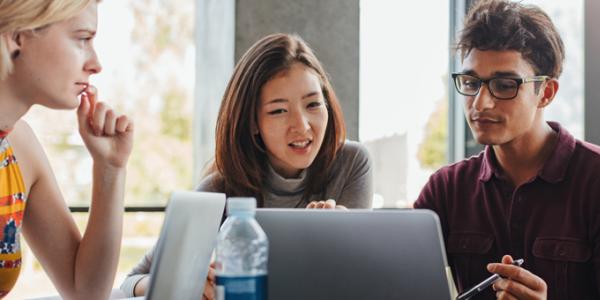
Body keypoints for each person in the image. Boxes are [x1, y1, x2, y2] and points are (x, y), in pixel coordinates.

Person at [120, 33, 373, 298]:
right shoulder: (219, 189)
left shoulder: (352, 162)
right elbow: (132, 280)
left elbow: (353, 281)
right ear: (252, 123)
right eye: (278, 110)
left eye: (312, 104)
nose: (302, 125)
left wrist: (345, 233)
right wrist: (191, 282)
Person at [414, 0, 600, 299]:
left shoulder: (593, 180)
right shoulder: (447, 189)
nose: (480, 103)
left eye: (503, 85)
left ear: (546, 93)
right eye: (471, 82)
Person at [0, 0, 133, 299]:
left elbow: (85, 292)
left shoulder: (19, 146)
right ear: (18, 35)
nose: (96, 64)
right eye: (83, 39)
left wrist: (109, 168)